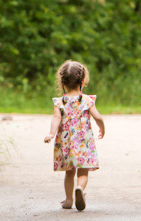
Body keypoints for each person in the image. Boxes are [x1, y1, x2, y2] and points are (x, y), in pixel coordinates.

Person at [44, 60, 105, 211]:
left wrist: (52, 133)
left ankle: (69, 199)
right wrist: (102, 128)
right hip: (84, 143)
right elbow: (98, 117)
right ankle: (80, 188)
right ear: (83, 81)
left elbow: (56, 118)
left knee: (69, 173)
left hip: (67, 145)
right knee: (83, 172)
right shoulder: (87, 100)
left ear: (62, 82)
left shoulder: (60, 102)